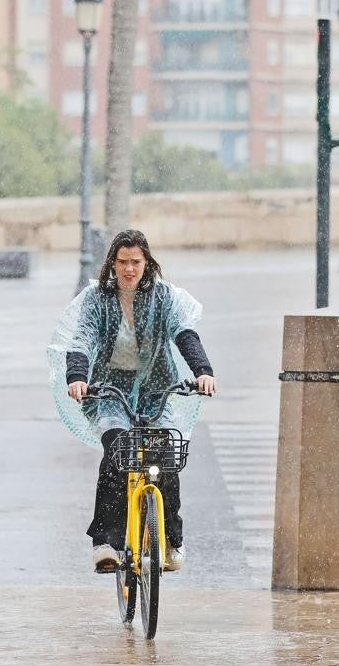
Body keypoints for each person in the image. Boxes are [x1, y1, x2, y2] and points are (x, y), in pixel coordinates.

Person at [54, 229, 217, 574]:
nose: (130, 269)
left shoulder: (163, 298)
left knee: (167, 457)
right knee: (117, 449)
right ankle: (106, 541)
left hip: (157, 389)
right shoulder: (97, 299)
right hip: (110, 391)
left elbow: (184, 333)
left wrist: (203, 370)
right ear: (113, 264)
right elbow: (81, 340)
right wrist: (77, 377)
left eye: (136, 262)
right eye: (123, 262)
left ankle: (172, 538)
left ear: (147, 264)